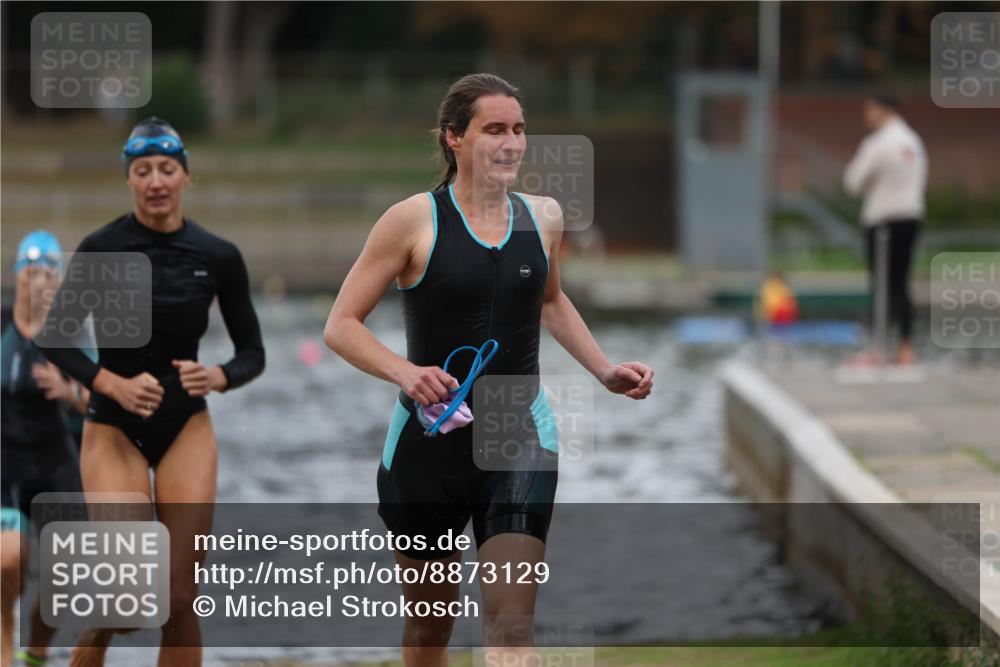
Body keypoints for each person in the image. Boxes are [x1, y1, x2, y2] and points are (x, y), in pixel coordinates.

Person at [323, 73, 654, 667]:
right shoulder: (411, 221)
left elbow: (550, 301)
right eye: (494, 129)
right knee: (429, 632)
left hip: (517, 432)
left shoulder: (545, 217)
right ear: (454, 138)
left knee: (509, 629)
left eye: (519, 130)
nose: (511, 143)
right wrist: (404, 373)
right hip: (426, 446)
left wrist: (603, 370)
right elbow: (341, 324)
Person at [39, 117, 266, 667]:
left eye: (167, 168)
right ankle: (95, 632)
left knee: (181, 598)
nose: (156, 180)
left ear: (186, 176)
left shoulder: (218, 256)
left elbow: (252, 354)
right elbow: (56, 340)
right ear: (129, 180)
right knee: (127, 597)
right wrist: (109, 381)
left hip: (186, 424)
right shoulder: (101, 248)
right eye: (143, 171)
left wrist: (218, 376)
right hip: (113, 428)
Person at [1, 231, 87, 667]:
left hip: (57, 466)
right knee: (9, 561)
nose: (37, 283)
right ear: (17, 277)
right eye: (30, 273)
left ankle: (35, 653)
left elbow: (107, 397)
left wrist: (69, 392)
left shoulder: (71, 333)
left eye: (46, 274)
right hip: (7, 471)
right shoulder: (0, 326)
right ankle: (4, 645)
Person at [843, 94, 927, 365]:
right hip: (911, 218)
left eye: (870, 109)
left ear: (883, 111)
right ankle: (905, 348)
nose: (867, 116)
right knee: (900, 284)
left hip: (883, 222)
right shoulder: (914, 141)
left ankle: (878, 350)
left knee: (881, 286)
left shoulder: (877, 143)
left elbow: (853, 182)